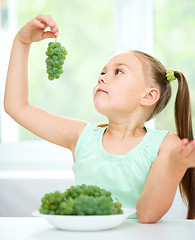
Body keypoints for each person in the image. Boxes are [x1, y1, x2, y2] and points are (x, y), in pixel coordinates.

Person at [4, 14, 195, 222]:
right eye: (102, 72)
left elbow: (147, 215)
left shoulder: (166, 145)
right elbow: (17, 107)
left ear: (148, 96)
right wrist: (21, 42)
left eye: (118, 71)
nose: (101, 77)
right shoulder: (81, 136)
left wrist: (175, 166)